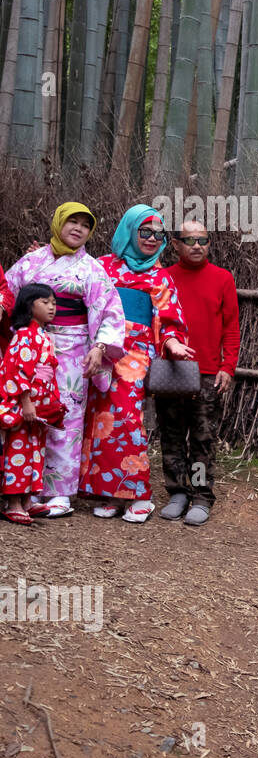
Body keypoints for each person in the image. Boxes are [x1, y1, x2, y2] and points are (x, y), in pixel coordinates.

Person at [4, 203, 125, 517]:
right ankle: (22, 486)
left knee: (65, 415)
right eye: (72, 221)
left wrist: (99, 347)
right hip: (29, 347)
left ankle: (59, 492)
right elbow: (9, 295)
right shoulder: (31, 261)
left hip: (72, 348)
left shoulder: (91, 268)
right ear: (58, 223)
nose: (78, 229)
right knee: (23, 412)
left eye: (86, 225)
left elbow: (109, 310)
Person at [79, 206, 194, 523]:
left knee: (128, 420)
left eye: (159, 234)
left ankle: (139, 494)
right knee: (99, 419)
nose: (152, 239)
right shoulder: (102, 266)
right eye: (145, 231)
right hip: (100, 351)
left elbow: (169, 320)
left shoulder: (161, 276)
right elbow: (76, 295)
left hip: (137, 355)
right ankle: (110, 494)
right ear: (129, 230)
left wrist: (172, 343)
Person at [157, 220, 241, 526]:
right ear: (175, 244)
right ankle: (177, 491)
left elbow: (231, 327)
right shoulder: (163, 278)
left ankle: (201, 495)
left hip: (207, 372)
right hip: (172, 368)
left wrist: (227, 366)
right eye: (189, 240)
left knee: (203, 438)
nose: (196, 245)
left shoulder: (222, 279)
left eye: (202, 240)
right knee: (172, 433)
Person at [0, 285, 64, 525]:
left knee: (34, 449)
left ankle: (27, 500)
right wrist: (26, 401)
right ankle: (13, 502)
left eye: (54, 303)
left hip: (39, 404)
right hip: (25, 404)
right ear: (29, 305)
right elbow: (17, 371)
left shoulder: (41, 335)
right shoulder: (25, 334)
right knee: (18, 450)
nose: (52, 307)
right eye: (45, 302)